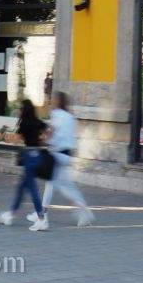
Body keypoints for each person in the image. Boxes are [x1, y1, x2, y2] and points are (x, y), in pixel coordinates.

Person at [27, 91, 95, 228]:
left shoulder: (56, 114)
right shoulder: (70, 117)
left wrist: (40, 142)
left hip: (57, 154)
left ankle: (43, 214)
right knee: (56, 184)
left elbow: (50, 131)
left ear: (58, 101)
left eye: (53, 99)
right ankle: (44, 212)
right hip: (66, 155)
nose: (51, 101)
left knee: (63, 187)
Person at [0, 99, 49, 231]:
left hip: (29, 158)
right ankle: (10, 214)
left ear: (23, 110)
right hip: (37, 156)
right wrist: (42, 141)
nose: (19, 111)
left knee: (32, 189)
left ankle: (41, 219)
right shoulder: (37, 122)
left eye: (20, 109)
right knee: (21, 187)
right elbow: (49, 131)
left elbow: (15, 140)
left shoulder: (25, 123)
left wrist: (2, 136)